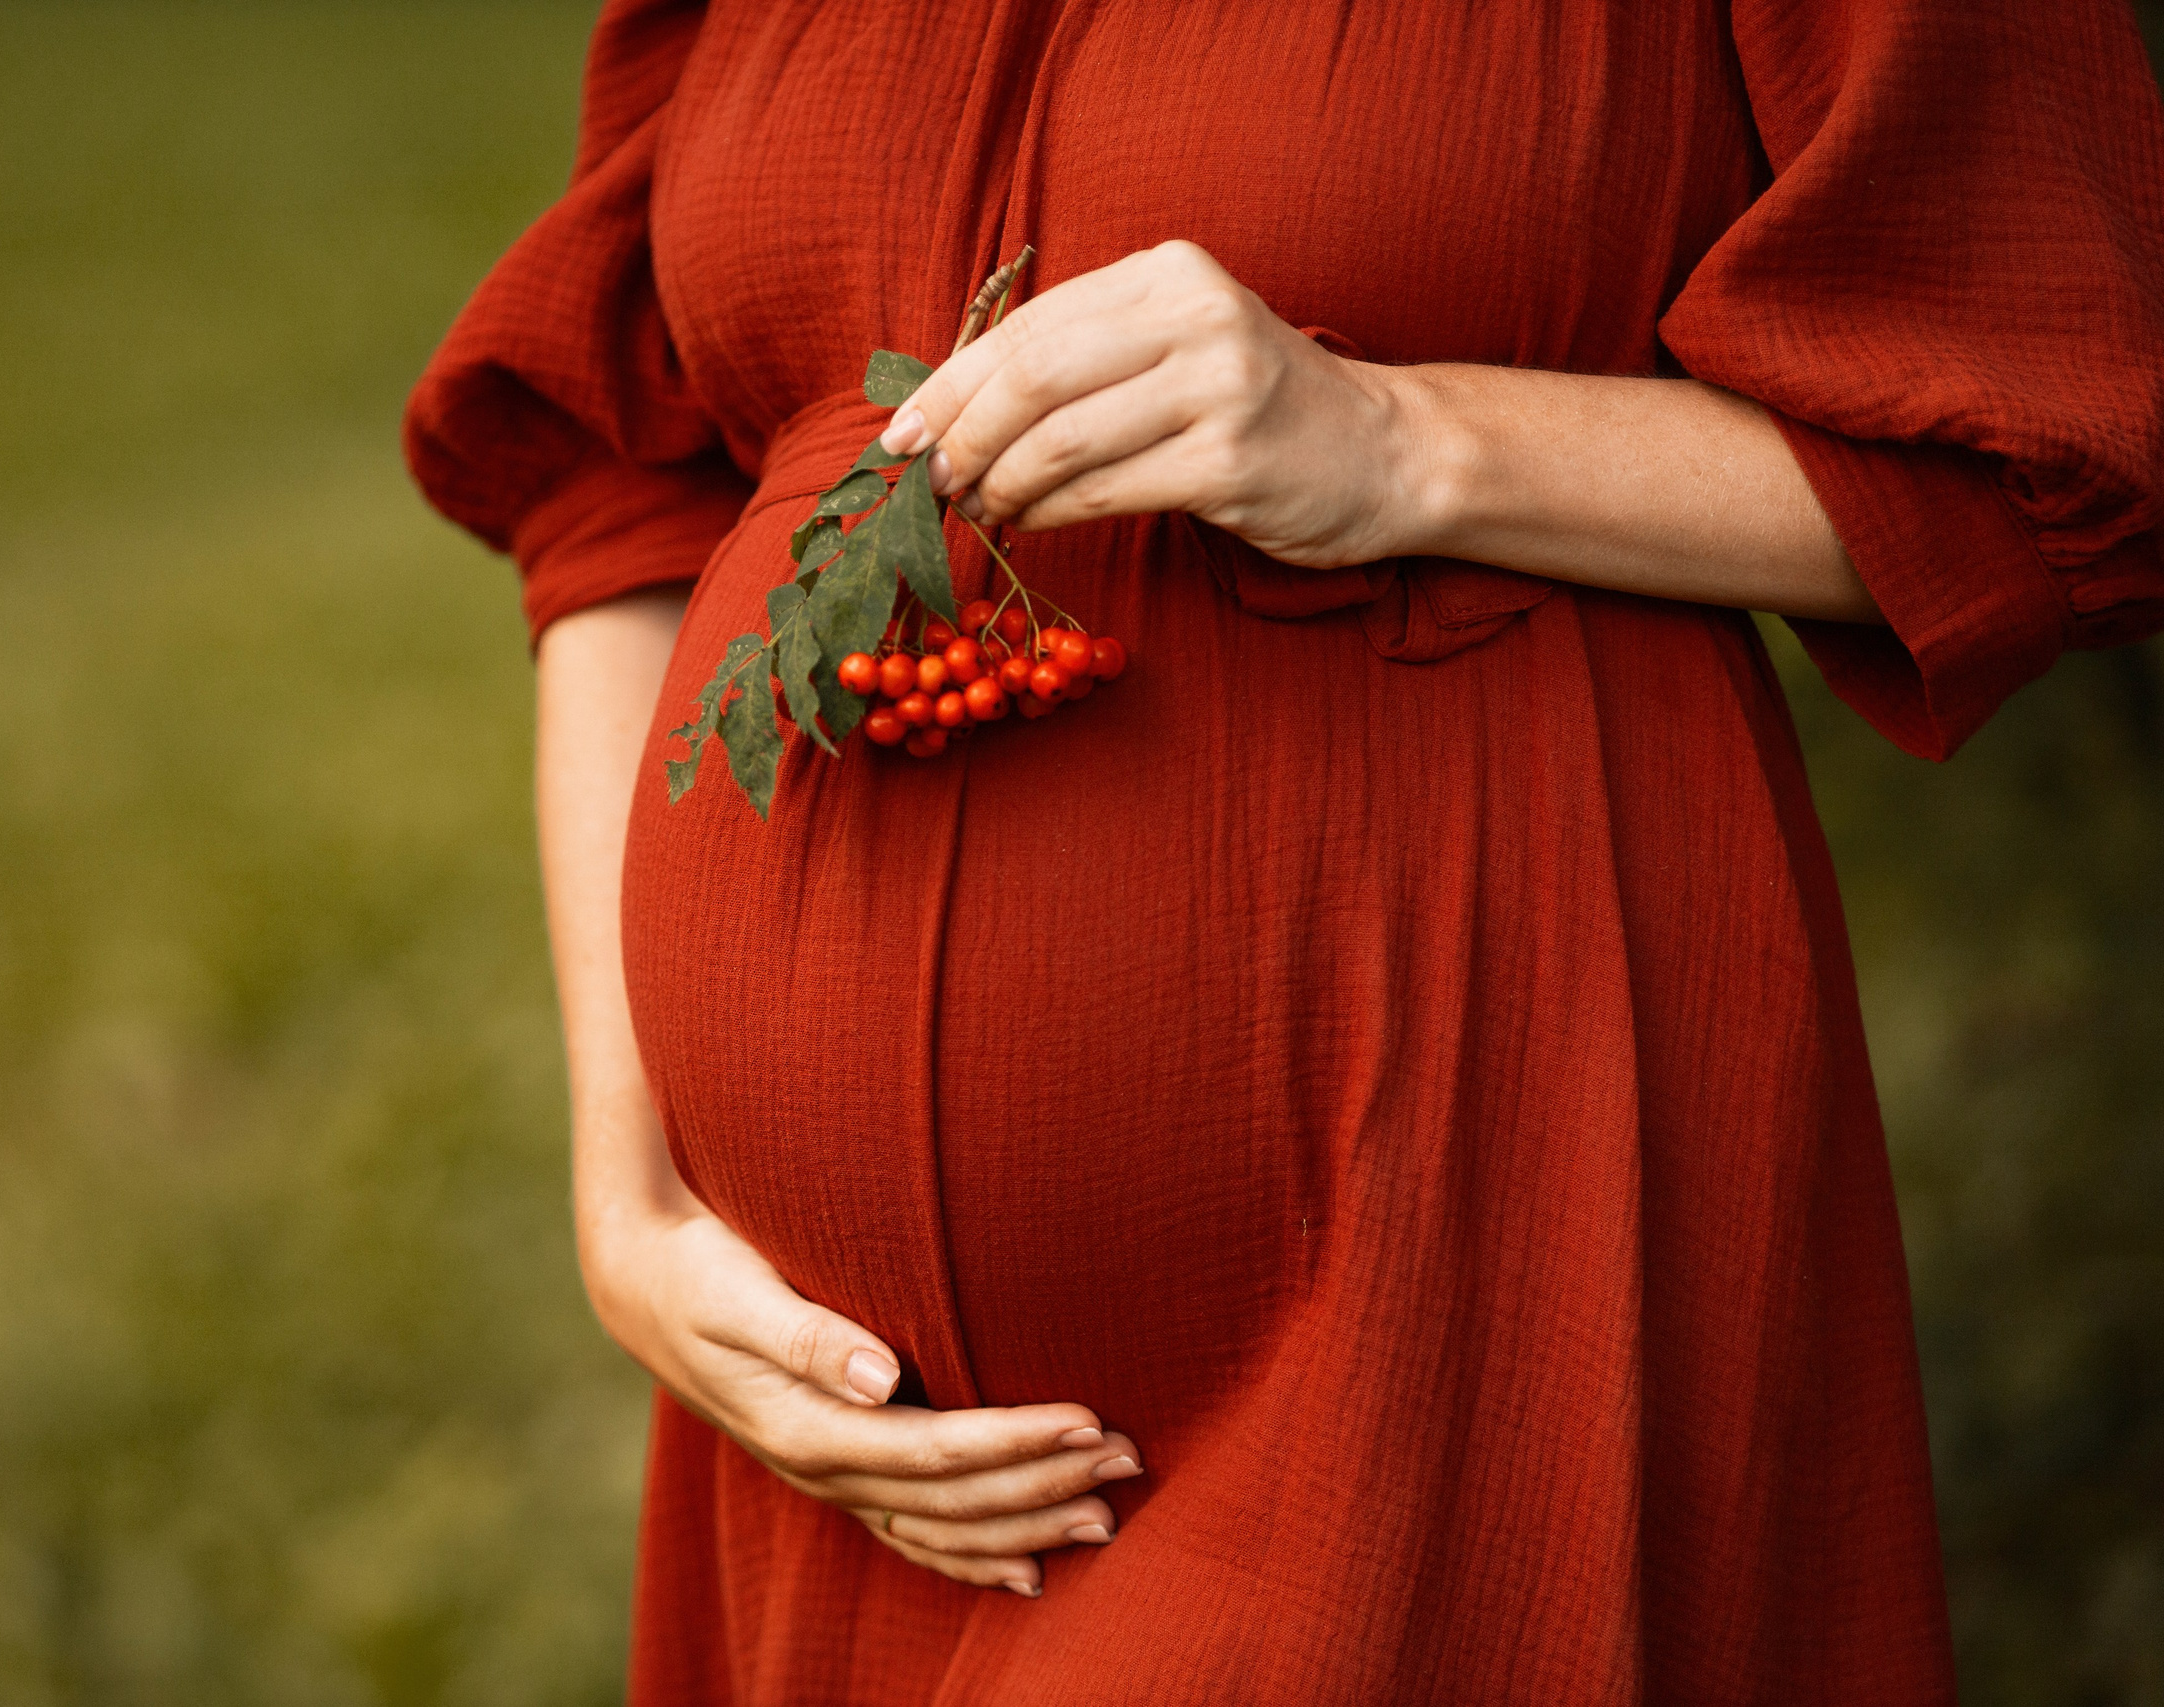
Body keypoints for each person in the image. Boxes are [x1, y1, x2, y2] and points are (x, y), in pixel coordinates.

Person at [406, 0, 2164, 1699]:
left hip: (1439, 1240)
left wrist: (1408, 443)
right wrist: (634, 1194)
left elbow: (2058, 446)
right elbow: (617, 493)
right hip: (837, 1435)